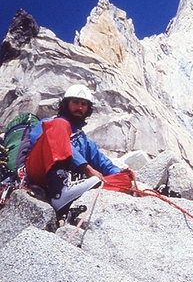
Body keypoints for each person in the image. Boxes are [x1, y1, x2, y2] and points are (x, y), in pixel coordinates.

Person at [26, 84, 121, 212]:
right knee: (61, 124)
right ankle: (60, 192)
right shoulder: (49, 123)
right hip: (39, 172)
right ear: (65, 104)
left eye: (84, 104)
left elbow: (105, 164)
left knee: (123, 179)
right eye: (75, 102)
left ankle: (68, 193)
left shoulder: (84, 140)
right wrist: (86, 168)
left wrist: (120, 176)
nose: (79, 107)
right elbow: (39, 145)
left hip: (71, 182)